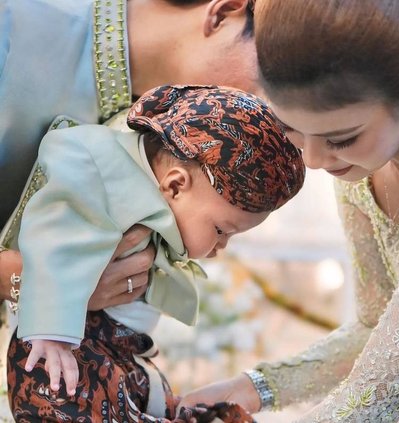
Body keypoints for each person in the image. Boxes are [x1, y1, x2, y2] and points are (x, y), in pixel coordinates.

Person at [179, 0, 399, 421]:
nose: (315, 159)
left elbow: (371, 401)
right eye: (292, 130)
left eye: (340, 138)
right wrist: (253, 387)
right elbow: (374, 326)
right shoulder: (366, 158)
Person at [6, 84, 305, 421]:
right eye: (221, 231)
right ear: (175, 186)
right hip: (62, 341)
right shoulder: (99, 174)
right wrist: (51, 332)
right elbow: (52, 236)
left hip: (119, 348)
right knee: (66, 396)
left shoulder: (155, 197)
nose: (219, 248)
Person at [0, 0, 257, 313]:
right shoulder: (14, 24)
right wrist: (31, 281)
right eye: (268, 82)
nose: (264, 116)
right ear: (224, 12)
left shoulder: (159, 147)